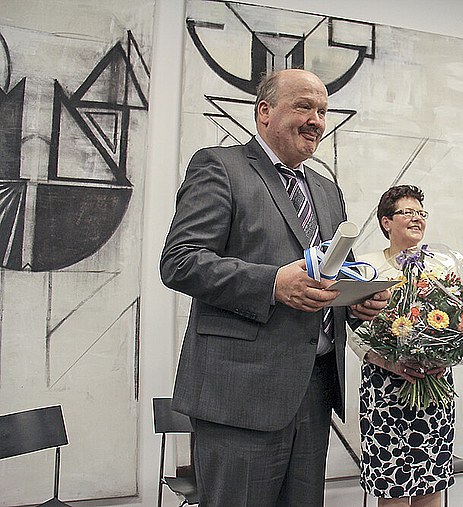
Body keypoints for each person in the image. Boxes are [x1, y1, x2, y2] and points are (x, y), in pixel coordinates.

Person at [160, 69, 389, 507]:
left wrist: (360, 298)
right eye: (303, 106)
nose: (316, 120)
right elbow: (181, 261)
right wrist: (272, 283)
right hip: (239, 395)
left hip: (315, 388)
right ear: (264, 112)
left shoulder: (327, 191)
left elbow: (330, 270)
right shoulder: (220, 167)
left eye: (322, 110)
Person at [350, 185, 453, 507]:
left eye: (421, 213)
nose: (416, 218)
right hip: (384, 386)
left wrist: (447, 358)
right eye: (407, 212)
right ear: (386, 222)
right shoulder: (365, 266)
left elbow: (462, 320)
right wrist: (389, 362)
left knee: (430, 481)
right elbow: (351, 327)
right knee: (391, 484)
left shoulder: (444, 266)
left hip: (433, 382)